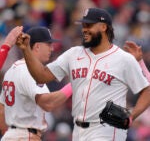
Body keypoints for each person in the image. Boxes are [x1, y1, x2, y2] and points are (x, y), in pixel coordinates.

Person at [16, 8, 150, 141]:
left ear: (103, 27)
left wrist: (131, 115)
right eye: (83, 25)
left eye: (89, 25)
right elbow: (41, 76)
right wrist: (26, 50)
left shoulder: (123, 59)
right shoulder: (74, 54)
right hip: (78, 130)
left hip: (106, 131)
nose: (84, 29)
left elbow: (147, 90)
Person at [0, 26, 72, 141]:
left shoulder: (11, 70)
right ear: (37, 46)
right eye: (48, 44)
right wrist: (73, 85)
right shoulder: (29, 71)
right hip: (26, 135)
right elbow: (48, 104)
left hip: (10, 135)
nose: (52, 49)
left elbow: (1, 111)